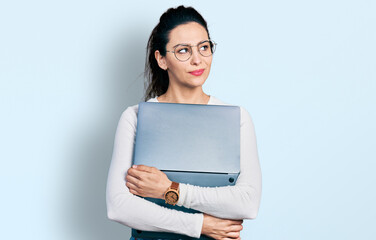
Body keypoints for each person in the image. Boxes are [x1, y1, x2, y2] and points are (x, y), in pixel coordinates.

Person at [106, 5, 262, 240]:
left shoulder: (237, 117)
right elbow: (119, 206)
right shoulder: (135, 117)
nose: (197, 60)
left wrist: (168, 190)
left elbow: (247, 203)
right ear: (161, 59)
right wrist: (199, 224)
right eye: (183, 51)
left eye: (204, 47)